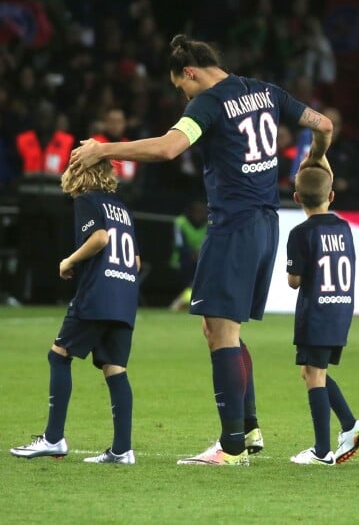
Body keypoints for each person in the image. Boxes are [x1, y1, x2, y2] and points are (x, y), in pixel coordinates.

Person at [69, 34, 333, 466]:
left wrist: (104, 149)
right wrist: (316, 161)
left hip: (232, 227)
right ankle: (247, 429)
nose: (183, 95)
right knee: (222, 330)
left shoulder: (208, 103)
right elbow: (324, 125)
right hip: (267, 224)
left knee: (221, 334)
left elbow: (169, 147)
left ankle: (230, 448)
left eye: (180, 87)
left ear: (189, 72)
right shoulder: (266, 91)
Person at [10, 160, 141, 464]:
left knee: (59, 355)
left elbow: (99, 239)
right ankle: (122, 450)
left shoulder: (87, 200)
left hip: (98, 295)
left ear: (81, 172)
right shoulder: (122, 208)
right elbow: (135, 261)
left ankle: (53, 439)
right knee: (115, 369)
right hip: (125, 296)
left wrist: (69, 261)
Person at [286, 166, 359, 465]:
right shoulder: (344, 228)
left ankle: (322, 451)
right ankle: (349, 425)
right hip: (341, 308)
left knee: (314, 376)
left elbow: (294, 280)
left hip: (316, 311)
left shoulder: (301, 233)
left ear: (296, 197)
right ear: (331, 196)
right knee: (312, 372)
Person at [168, 199, 208, 312]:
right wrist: (192, 254)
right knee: (192, 275)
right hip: (182, 260)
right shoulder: (180, 222)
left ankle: (189, 300)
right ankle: (182, 301)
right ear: (191, 211)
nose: (200, 214)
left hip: (201, 258)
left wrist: (200, 253)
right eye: (197, 211)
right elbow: (180, 244)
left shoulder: (208, 223)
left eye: (203, 211)